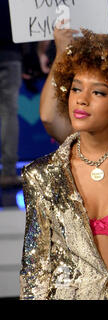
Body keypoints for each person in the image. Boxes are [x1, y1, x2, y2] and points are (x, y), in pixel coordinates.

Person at [20, 29, 108, 300]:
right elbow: (35, 267)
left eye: (97, 92)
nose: (81, 99)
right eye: (75, 88)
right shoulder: (41, 175)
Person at [0, 1, 22, 188]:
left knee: (8, 114)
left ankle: (7, 172)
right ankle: (7, 173)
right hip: (10, 54)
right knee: (8, 113)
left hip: (10, 55)